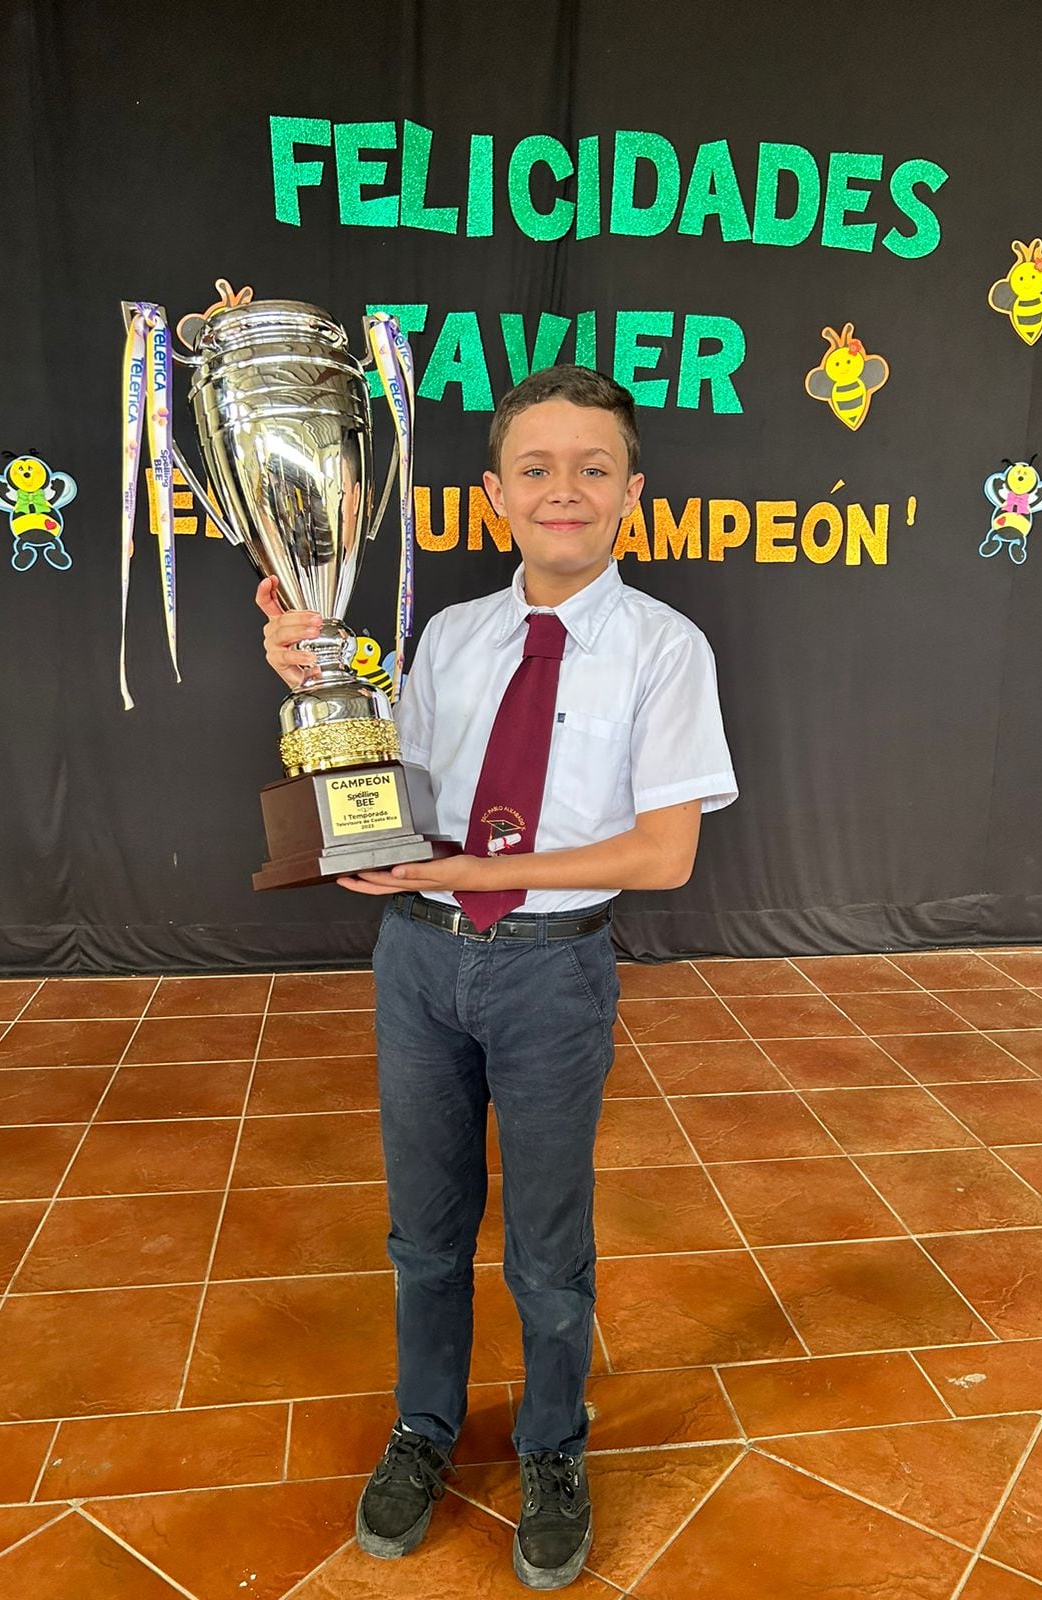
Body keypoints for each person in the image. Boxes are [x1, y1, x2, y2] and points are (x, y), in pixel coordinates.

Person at [257, 365, 737, 1589]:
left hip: (551, 975)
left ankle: (552, 1445)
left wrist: (482, 867)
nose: (563, 489)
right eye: (536, 468)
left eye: (592, 468)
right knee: (423, 1228)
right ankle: (425, 1427)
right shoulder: (451, 638)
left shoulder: (666, 649)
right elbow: (392, 786)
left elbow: (665, 852)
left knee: (546, 1244)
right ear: (494, 496)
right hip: (418, 963)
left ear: (633, 493)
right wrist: (314, 675)